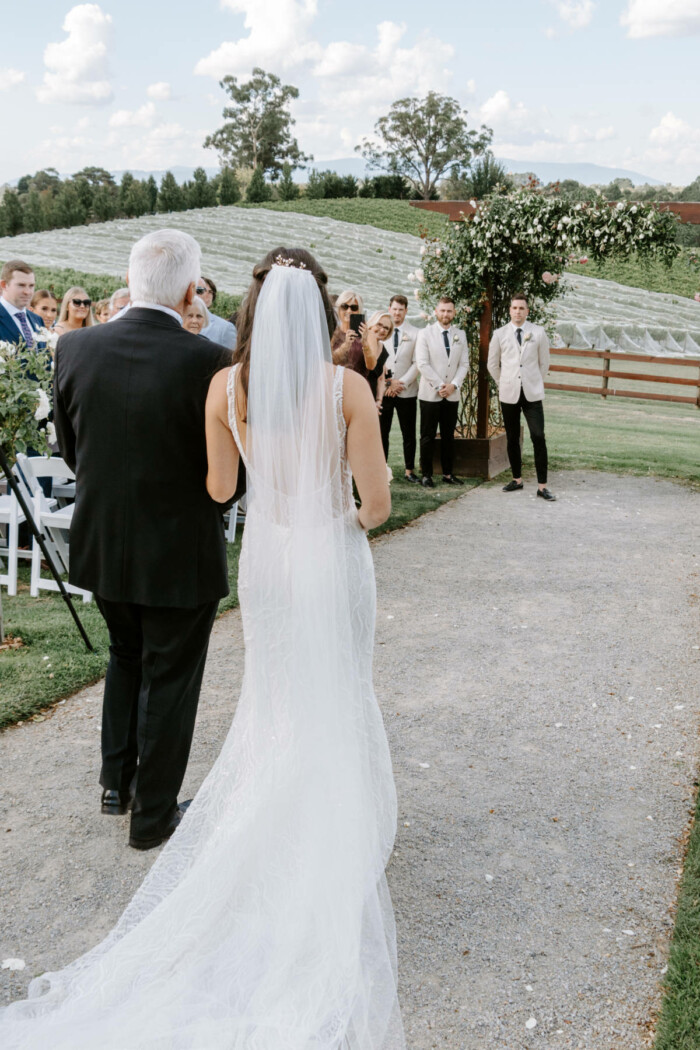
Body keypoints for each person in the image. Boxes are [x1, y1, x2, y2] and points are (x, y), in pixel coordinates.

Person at [0, 247, 405, 1050]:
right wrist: (338, 527)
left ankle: (253, 821)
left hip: (267, 562)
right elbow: (380, 503)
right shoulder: (348, 388)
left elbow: (222, 490)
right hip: (326, 554)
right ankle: (333, 830)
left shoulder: (229, 385)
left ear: (251, 310)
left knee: (277, 695)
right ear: (324, 310)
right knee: (338, 688)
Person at [50, 229, 235, 853]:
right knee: (171, 676)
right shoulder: (209, 360)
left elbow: (73, 453)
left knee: (125, 654)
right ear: (191, 291)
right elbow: (224, 485)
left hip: (103, 543)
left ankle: (115, 783)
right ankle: (153, 816)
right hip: (178, 553)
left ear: (129, 281)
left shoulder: (74, 348)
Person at [487, 292, 556, 501]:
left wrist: (532, 380)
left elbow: (544, 363)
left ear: (527, 311)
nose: (518, 311)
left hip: (532, 393)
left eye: (522, 308)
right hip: (509, 392)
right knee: (512, 438)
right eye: (514, 308)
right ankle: (517, 479)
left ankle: (542, 486)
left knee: (538, 436)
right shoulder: (499, 334)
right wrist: (505, 382)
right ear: (510, 310)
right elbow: (492, 364)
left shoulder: (538, 332)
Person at [416, 296, 470, 487]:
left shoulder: (460, 335)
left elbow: (464, 364)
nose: (446, 314)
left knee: (448, 435)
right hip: (431, 393)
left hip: (452, 394)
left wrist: (453, 385)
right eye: (442, 310)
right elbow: (422, 363)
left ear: (454, 312)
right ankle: (427, 475)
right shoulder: (425, 334)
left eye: (449, 311)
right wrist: (440, 386)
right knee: (427, 435)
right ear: (436, 312)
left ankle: (448, 474)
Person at [380, 294, 420, 484]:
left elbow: (417, 363)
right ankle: (382, 469)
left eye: (401, 310)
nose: (397, 312)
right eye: (394, 309)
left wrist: (400, 383)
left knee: (409, 432)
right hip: (384, 391)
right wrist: (388, 383)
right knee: (382, 432)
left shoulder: (416, 334)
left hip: (407, 391)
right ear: (389, 309)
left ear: (406, 311)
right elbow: (375, 361)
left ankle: (409, 470)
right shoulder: (380, 331)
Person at [330, 289, 377, 379]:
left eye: (354, 308)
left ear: (359, 311)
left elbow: (371, 366)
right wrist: (346, 345)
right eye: (345, 306)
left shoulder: (369, 335)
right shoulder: (333, 332)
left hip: (358, 384)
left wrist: (365, 344)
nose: (349, 311)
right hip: (335, 382)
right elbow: (329, 361)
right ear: (339, 309)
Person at [0, 259, 44, 347]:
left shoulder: (38, 320)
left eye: (31, 286)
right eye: (21, 285)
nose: (27, 292)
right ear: (4, 285)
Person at [197, 275, 237, 348]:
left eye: (210, 292)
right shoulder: (178, 318)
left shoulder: (225, 328)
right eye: (202, 291)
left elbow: (231, 357)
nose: (207, 295)